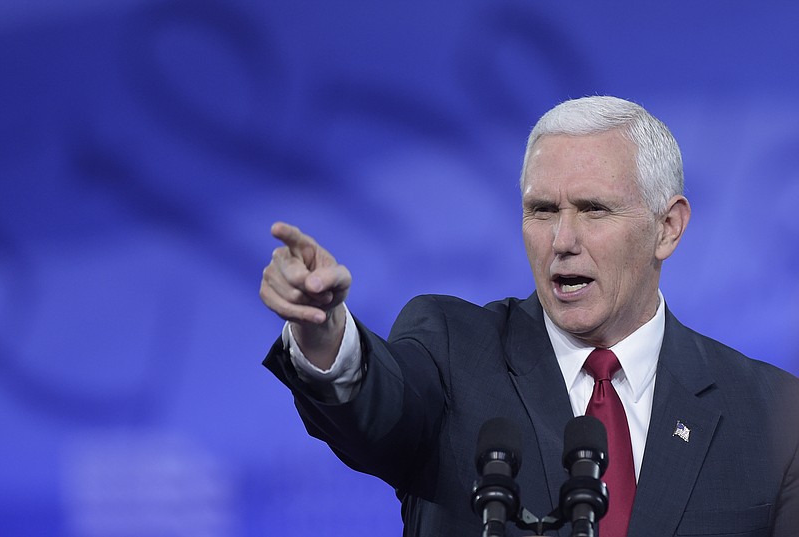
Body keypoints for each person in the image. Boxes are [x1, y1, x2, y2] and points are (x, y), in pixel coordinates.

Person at [260, 96, 799, 537]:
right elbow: (379, 409)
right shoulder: (452, 350)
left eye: (593, 209)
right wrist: (325, 334)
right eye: (542, 210)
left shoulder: (774, 413)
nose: (562, 241)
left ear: (668, 228)